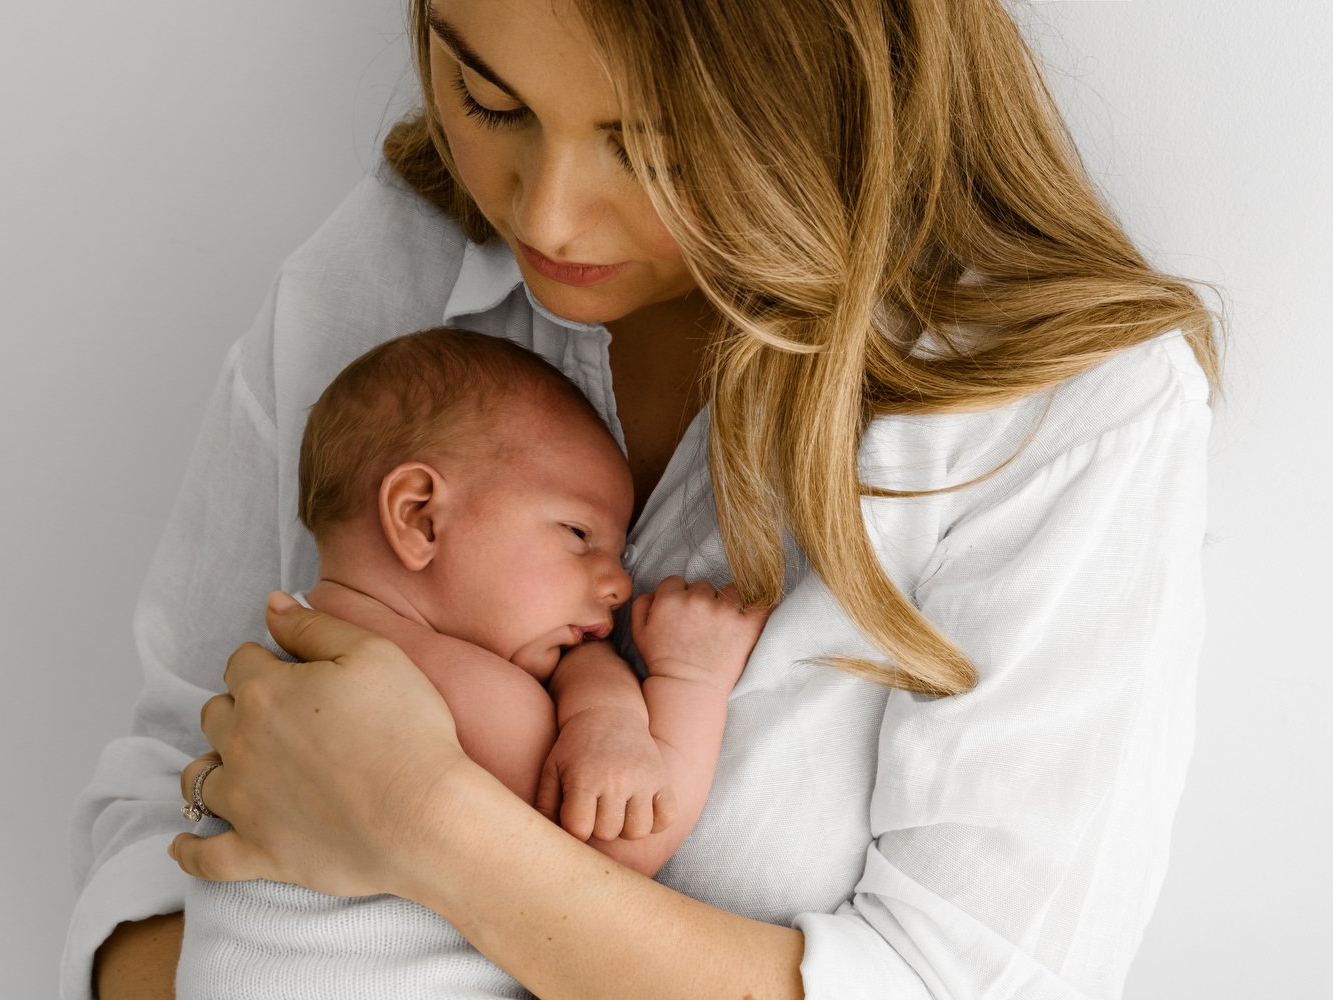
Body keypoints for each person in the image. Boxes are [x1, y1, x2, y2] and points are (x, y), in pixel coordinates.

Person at [66, 1, 1219, 997]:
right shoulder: (386, 269)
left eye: (659, 145)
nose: (550, 219)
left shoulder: (1059, 417)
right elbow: (149, 819)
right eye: (490, 99)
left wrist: (423, 821)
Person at [174, 326, 767, 997]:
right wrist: (692, 680)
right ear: (421, 517)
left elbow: (567, 666)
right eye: (579, 535)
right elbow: (612, 861)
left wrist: (601, 711)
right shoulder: (435, 696)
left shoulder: (307, 646)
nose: (619, 583)